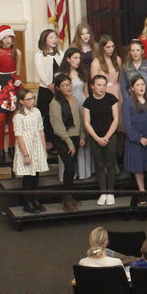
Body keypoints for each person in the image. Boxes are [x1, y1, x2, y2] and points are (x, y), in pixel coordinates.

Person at [50, 74, 86, 212]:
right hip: (63, 139)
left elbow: (80, 119)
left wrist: (82, 135)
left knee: (72, 167)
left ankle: (69, 195)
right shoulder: (55, 103)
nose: (68, 87)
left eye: (69, 84)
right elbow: (57, 127)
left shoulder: (75, 99)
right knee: (69, 167)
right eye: (64, 85)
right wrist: (70, 143)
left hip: (75, 137)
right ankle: (66, 198)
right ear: (58, 88)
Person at [56, 48, 92, 182]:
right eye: (75, 58)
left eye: (79, 58)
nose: (78, 61)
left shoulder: (82, 72)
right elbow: (57, 94)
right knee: (71, 135)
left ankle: (84, 171)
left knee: (83, 137)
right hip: (68, 105)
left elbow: (86, 92)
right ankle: (70, 172)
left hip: (82, 103)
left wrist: (89, 107)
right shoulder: (60, 74)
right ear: (68, 59)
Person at [0, 25, 22, 161]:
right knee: (1, 118)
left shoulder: (17, 52)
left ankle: (11, 147)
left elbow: (18, 71)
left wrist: (16, 83)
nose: (8, 40)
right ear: (0, 39)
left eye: (10, 37)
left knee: (12, 118)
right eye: (5, 37)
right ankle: (1, 148)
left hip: (12, 84)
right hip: (0, 84)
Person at [122, 75, 147, 205]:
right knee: (138, 167)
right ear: (132, 88)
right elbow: (127, 125)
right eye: (137, 85)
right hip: (136, 140)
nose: (141, 87)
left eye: (142, 84)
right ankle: (142, 192)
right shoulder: (127, 102)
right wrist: (139, 138)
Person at [85, 75, 121, 206]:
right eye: (99, 85)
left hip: (110, 136)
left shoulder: (111, 99)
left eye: (104, 85)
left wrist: (106, 137)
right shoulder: (88, 102)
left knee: (110, 164)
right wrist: (97, 138)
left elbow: (116, 119)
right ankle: (103, 192)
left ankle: (111, 192)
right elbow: (87, 123)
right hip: (95, 137)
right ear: (92, 86)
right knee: (99, 165)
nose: (102, 88)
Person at [13, 88, 49, 213]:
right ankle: (27, 202)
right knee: (28, 177)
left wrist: (44, 149)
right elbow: (19, 136)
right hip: (26, 147)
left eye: (33, 98)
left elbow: (41, 130)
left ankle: (35, 200)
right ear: (22, 101)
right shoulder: (19, 116)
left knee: (36, 175)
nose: (32, 101)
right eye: (29, 99)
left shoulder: (36, 112)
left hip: (36, 145)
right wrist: (26, 155)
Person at [35, 29, 64, 146]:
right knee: (46, 116)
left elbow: (63, 70)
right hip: (45, 90)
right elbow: (40, 72)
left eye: (55, 37)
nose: (54, 40)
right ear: (45, 40)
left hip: (59, 89)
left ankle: (58, 141)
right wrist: (49, 84)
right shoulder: (39, 55)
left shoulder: (60, 54)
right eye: (51, 37)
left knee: (58, 115)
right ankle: (48, 142)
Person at [91, 36, 124, 101]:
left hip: (117, 91)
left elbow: (120, 79)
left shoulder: (117, 60)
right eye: (108, 47)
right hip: (103, 93)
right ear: (102, 48)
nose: (111, 49)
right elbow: (94, 85)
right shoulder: (96, 63)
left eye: (112, 46)